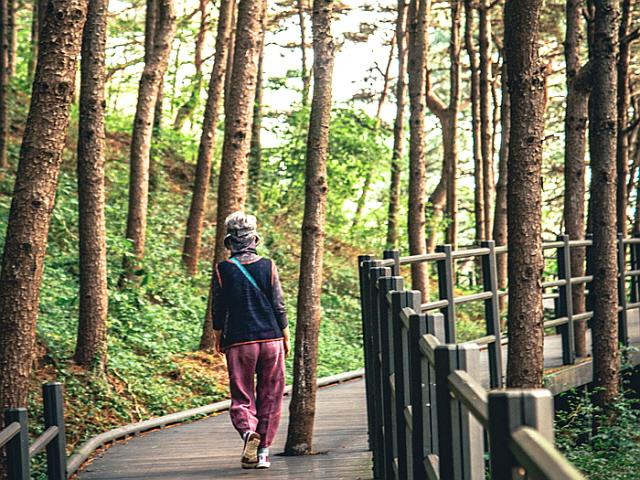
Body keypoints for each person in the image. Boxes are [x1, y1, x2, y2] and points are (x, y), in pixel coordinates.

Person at [211, 211, 291, 470]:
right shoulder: (268, 265)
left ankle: (248, 433)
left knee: (242, 395)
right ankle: (264, 453)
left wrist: (217, 336)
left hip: (239, 341)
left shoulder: (223, 269)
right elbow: (278, 303)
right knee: (271, 394)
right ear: (254, 239)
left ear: (229, 242)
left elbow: (218, 307)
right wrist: (286, 333)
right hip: (271, 338)